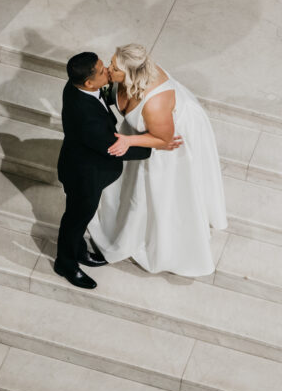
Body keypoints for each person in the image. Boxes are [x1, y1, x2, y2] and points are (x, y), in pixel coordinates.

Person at [90, 44, 227, 278]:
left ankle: (136, 239)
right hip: (148, 132)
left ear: (131, 74)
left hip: (163, 142)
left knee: (144, 197)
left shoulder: (154, 104)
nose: (108, 68)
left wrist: (128, 141)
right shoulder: (133, 76)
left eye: (114, 67)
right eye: (111, 62)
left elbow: (164, 140)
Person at [54, 51, 182, 290]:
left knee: (78, 218)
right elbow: (112, 147)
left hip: (78, 161)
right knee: (75, 220)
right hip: (84, 176)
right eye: (103, 71)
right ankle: (66, 263)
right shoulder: (86, 117)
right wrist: (156, 146)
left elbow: (104, 96)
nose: (108, 72)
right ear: (89, 82)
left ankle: (79, 249)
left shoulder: (78, 86)